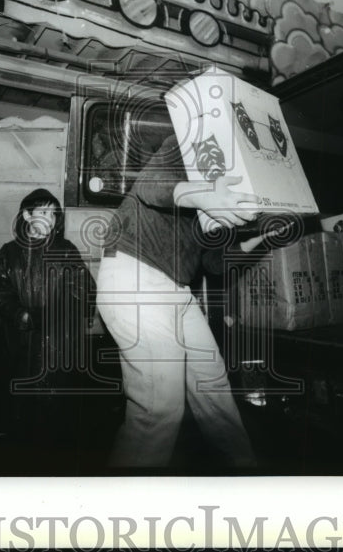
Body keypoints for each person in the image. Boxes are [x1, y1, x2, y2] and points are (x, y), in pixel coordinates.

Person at [95, 132, 260, 468]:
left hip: (176, 288)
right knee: (160, 407)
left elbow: (213, 263)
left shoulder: (231, 192)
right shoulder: (195, 140)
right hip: (135, 273)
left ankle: (244, 475)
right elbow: (151, 185)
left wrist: (260, 239)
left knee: (212, 383)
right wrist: (205, 197)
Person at [0, 189, 93, 443]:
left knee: (55, 419)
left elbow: (84, 288)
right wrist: (19, 315)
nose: (50, 219)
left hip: (57, 349)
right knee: (20, 417)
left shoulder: (66, 250)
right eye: (43, 212)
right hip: (20, 348)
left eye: (54, 214)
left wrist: (56, 314)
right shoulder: (9, 253)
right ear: (27, 215)